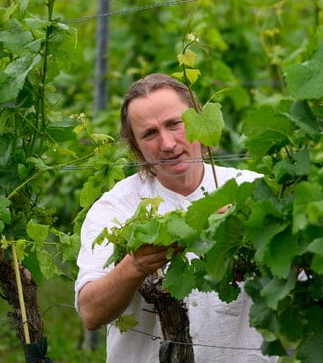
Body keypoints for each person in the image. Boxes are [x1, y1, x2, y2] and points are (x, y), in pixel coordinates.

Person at [75, 73, 276, 362]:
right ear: (136, 147)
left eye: (174, 124)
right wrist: (135, 265)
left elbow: (303, 277)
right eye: (149, 134)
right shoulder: (116, 208)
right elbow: (91, 313)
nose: (168, 144)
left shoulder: (251, 192)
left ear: (197, 121)